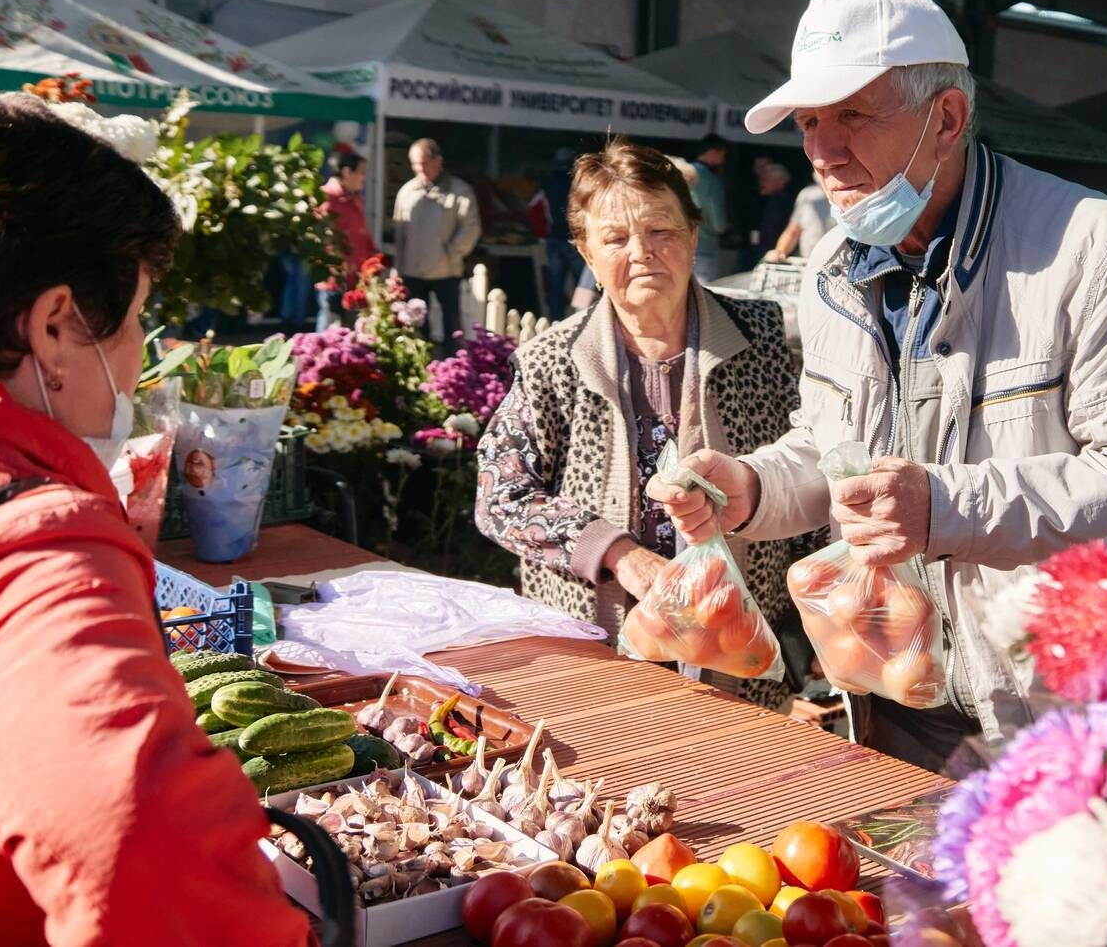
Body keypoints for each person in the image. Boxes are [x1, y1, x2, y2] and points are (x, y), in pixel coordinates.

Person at [645, 0, 1107, 773]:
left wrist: (944, 507)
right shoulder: (833, 269)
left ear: (945, 118)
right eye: (809, 121)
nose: (822, 151)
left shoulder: (1099, 251)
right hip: (884, 686)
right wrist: (753, 488)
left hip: (1047, 709)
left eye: (853, 116)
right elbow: (831, 448)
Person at [0, 90, 309, 944]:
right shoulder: (36, 547)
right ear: (56, 327)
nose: (142, 352)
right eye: (137, 318)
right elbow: (140, 852)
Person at [474, 138, 812, 709]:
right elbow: (499, 497)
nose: (642, 252)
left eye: (661, 231)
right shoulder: (552, 361)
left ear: (694, 234)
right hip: (596, 660)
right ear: (585, 252)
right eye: (615, 238)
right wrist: (618, 553)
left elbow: (808, 469)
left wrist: (808, 627)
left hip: (742, 658)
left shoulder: (763, 338)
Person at [393, 138, 481, 350]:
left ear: (438, 161)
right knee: (416, 322)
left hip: (446, 271)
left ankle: (452, 365)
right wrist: (399, 265)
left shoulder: (460, 191)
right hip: (413, 270)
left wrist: (451, 253)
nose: (419, 169)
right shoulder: (406, 192)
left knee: (451, 322)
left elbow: (471, 227)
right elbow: (399, 232)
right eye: (415, 164)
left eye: (424, 163)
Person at [314, 149, 376, 332]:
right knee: (328, 332)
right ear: (347, 172)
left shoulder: (354, 197)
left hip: (357, 279)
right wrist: (340, 267)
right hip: (336, 281)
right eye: (361, 173)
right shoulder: (326, 198)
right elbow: (323, 242)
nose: (363, 178)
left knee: (352, 334)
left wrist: (374, 257)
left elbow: (361, 232)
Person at [529, 146, 583, 321]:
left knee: (555, 285)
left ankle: (555, 322)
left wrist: (542, 234)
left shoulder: (548, 183)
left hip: (555, 239)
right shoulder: (580, 183)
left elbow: (533, 208)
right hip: (577, 239)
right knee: (583, 285)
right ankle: (582, 319)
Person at [766, 171, 833, 263]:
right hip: (809, 262)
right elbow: (793, 230)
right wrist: (780, 251)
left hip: (843, 265)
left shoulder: (850, 195)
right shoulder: (806, 195)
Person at [689, 134, 730, 282]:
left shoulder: (680, 174)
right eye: (723, 154)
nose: (723, 160)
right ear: (713, 152)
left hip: (679, 244)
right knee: (703, 295)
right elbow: (718, 224)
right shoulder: (712, 181)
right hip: (705, 246)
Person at [746, 161, 796, 269]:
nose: (761, 183)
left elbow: (771, 229)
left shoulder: (781, 200)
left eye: (766, 180)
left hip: (770, 253)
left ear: (780, 182)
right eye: (761, 179)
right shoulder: (767, 199)